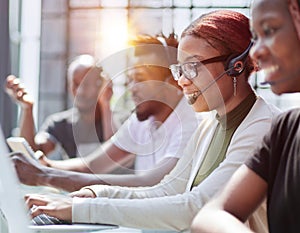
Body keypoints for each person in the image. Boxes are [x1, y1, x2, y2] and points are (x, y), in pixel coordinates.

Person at [25, 10, 280, 232]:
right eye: (179, 69)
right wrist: (96, 193)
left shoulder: (260, 128)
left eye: (192, 67)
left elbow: (194, 208)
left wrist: (83, 209)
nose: (182, 80)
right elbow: (167, 190)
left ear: (234, 65)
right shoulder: (210, 125)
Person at [10, 34, 199, 192]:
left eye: (140, 79)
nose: (131, 89)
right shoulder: (141, 120)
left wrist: (47, 176)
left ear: (172, 82)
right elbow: (90, 166)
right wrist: (47, 167)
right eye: (130, 80)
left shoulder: (191, 123)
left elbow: (152, 183)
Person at [190, 1, 300, 233]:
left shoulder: (264, 122)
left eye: (269, 31)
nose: (255, 52)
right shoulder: (285, 130)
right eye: (256, 38)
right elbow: (211, 214)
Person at [6, 54, 114, 159]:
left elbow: (115, 158)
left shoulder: (120, 121)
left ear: (100, 84)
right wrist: (27, 108)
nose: (80, 91)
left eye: (86, 84)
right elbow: (32, 153)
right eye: (75, 84)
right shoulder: (60, 123)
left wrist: (106, 105)